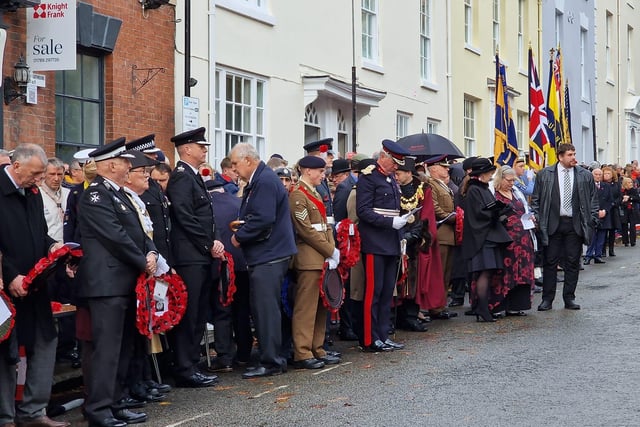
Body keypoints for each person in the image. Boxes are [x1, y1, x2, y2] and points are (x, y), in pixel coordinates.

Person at [76, 138, 157, 427]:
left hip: (124, 281)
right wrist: (141, 260)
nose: (129, 165)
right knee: (107, 350)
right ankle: (99, 409)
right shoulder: (96, 195)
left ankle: (117, 401)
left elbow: (141, 229)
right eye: (124, 161)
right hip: (106, 283)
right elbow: (115, 236)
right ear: (111, 164)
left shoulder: (120, 195)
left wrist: (151, 252)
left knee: (122, 348)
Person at [0, 143, 70, 427]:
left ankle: (34, 412)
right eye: (36, 174)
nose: (40, 180)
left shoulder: (32, 193)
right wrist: (11, 274)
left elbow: (39, 233)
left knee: (45, 342)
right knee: (5, 352)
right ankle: (5, 417)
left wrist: (54, 248)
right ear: (16, 166)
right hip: (6, 287)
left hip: (35, 284)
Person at [229, 143, 297, 378]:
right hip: (269, 252)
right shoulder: (262, 179)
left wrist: (240, 236)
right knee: (266, 309)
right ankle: (274, 357)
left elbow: (263, 218)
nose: (234, 169)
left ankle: (272, 361)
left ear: (248, 160)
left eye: (236, 164)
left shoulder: (264, 181)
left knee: (265, 309)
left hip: (268, 254)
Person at [165, 127, 224, 388]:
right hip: (190, 256)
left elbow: (204, 215)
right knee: (190, 314)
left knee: (199, 312)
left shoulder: (193, 176)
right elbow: (184, 215)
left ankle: (191, 363)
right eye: (201, 146)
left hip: (199, 255)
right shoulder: (181, 177)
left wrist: (214, 241)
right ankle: (184, 367)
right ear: (187, 149)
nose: (205, 150)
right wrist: (207, 243)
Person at [356, 140, 410, 352]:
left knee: (388, 292)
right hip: (375, 242)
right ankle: (370, 338)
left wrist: (401, 223)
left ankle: (383, 334)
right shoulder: (369, 178)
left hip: (391, 240)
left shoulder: (389, 178)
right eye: (395, 163)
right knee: (374, 292)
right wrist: (390, 222)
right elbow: (364, 211)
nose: (397, 167)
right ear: (384, 157)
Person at [530, 143, 598, 311]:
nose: (573, 157)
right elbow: (536, 199)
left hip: (575, 224)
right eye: (569, 154)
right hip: (552, 223)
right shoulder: (545, 174)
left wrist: (592, 220)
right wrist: (539, 219)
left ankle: (569, 298)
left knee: (573, 262)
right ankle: (547, 299)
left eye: (574, 154)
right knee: (550, 262)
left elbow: (593, 200)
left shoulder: (585, 175)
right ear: (560, 157)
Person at [289, 156, 341, 369]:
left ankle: (317, 348)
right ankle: (302, 351)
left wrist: (332, 251)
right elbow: (306, 230)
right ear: (307, 171)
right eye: (320, 171)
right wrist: (330, 250)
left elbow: (326, 225)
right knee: (306, 308)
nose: (323, 175)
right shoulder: (298, 195)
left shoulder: (315, 192)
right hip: (308, 257)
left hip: (322, 255)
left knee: (321, 306)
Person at [461, 158, 512, 322]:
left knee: (487, 273)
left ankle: (483, 308)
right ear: (482, 174)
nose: (491, 175)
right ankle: (482, 309)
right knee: (484, 273)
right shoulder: (475, 190)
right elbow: (478, 214)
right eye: (489, 173)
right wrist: (496, 212)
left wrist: (499, 211)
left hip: (488, 236)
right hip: (482, 238)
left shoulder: (481, 188)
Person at [394, 157, 441, 332]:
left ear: (408, 172)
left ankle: (411, 316)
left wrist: (415, 234)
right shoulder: (392, 187)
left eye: (398, 173)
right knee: (396, 280)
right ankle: (396, 316)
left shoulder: (423, 189)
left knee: (414, 279)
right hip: (395, 238)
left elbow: (427, 214)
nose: (396, 176)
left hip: (415, 240)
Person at [492, 166, 535, 315]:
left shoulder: (516, 192)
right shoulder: (494, 193)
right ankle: (500, 305)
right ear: (500, 178)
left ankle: (517, 306)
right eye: (509, 180)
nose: (511, 183)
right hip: (505, 238)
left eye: (513, 180)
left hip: (522, 238)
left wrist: (530, 216)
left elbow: (525, 209)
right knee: (505, 271)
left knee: (522, 271)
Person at [426, 155, 458, 319]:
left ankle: (441, 304)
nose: (447, 169)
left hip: (449, 234)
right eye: (443, 166)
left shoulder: (443, 185)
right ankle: (435, 306)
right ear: (433, 169)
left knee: (447, 273)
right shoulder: (430, 184)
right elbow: (435, 208)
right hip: (441, 232)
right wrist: (453, 217)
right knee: (439, 272)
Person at [583, 168, 612, 265]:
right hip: (591, 214)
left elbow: (610, 200)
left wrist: (605, 210)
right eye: (596, 174)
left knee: (601, 237)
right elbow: (585, 200)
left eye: (600, 174)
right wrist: (594, 212)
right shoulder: (587, 186)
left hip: (603, 214)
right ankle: (588, 256)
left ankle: (598, 255)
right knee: (591, 237)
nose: (598, 176)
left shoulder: (606, 186)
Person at [602, 166, 621, 257]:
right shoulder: (601, 184)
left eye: (608, 173)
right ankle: (603, 250)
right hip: (604, 209)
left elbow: (619, 197)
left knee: (612, 230)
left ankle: (611, 249)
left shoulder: (616, 185)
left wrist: (614, 203)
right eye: (605, 173)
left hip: (613, 210)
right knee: (604, 230)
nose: (606, 175)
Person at [619, 177, 639, 247]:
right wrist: (623, 200)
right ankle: (625, 241)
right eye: (629, 182)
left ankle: (633, 241)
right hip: (624, 209)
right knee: (624, 225)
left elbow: (637, 199)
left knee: (632, 226)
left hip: (632, 209)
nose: (631, 184)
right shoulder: (621, 191)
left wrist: (630, 198)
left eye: (631, 182)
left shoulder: (634, 190)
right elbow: (619, 199)